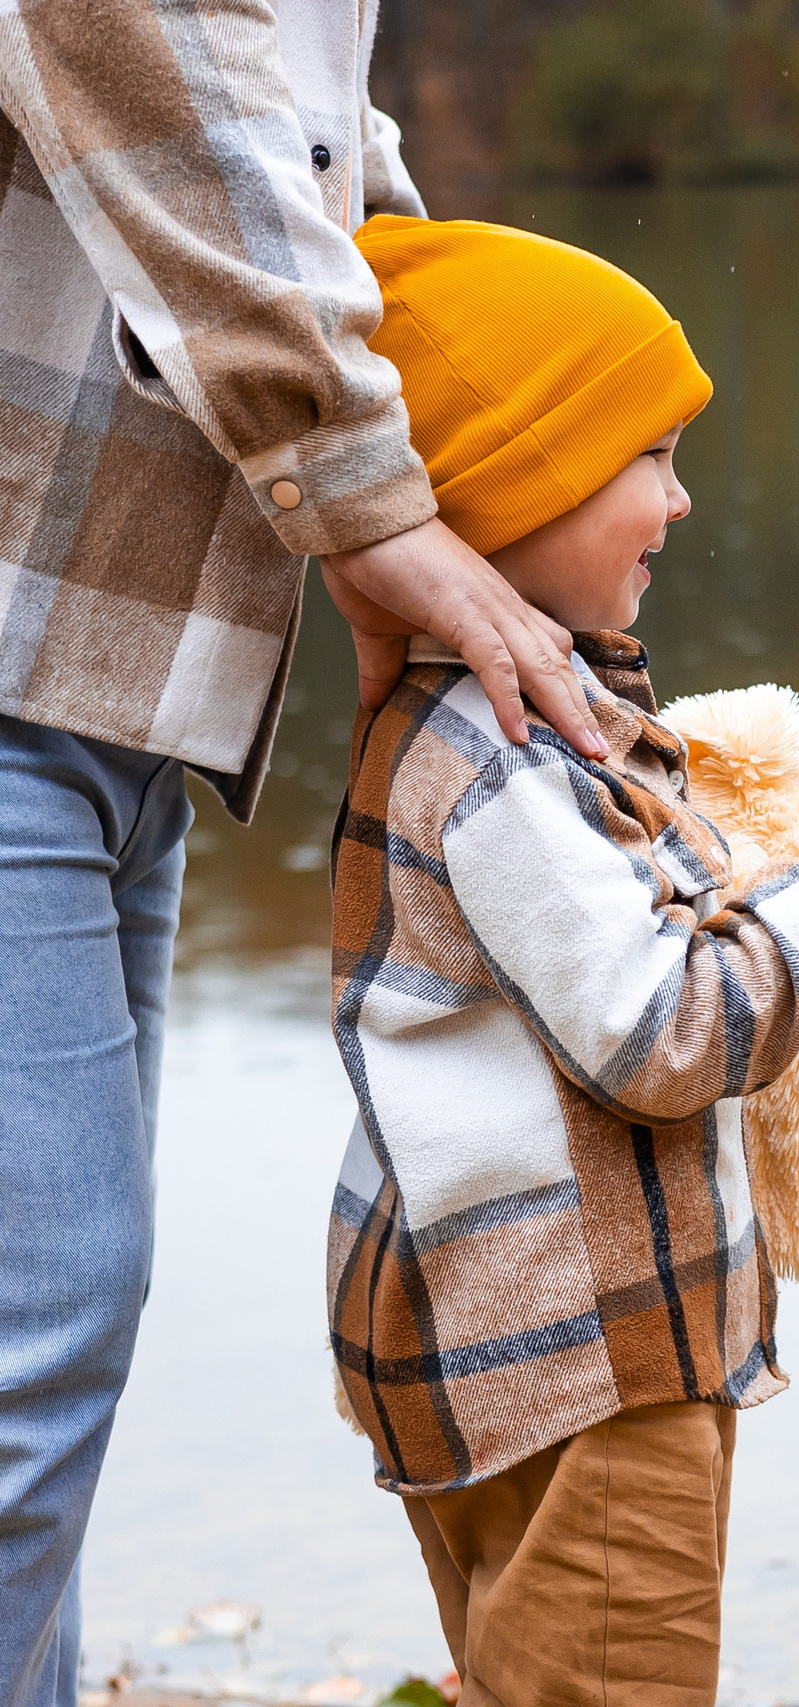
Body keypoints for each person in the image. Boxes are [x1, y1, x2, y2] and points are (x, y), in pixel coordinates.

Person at [324, 216, 799, 1701]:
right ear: (515, 484)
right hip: (587, 1364)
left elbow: (625, 959)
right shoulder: (508, 761)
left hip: (512, 1343)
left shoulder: (509, 725)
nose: (682, 496)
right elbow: (665, 1035)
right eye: (647, 458)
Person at [0, 7, 609, 1699]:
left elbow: (300, 148)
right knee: (37, 1327)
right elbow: (168, 99)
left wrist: (497, 406)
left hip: (110, 671)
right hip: (18, 660)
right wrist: (371, 495)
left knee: (48, 1344)